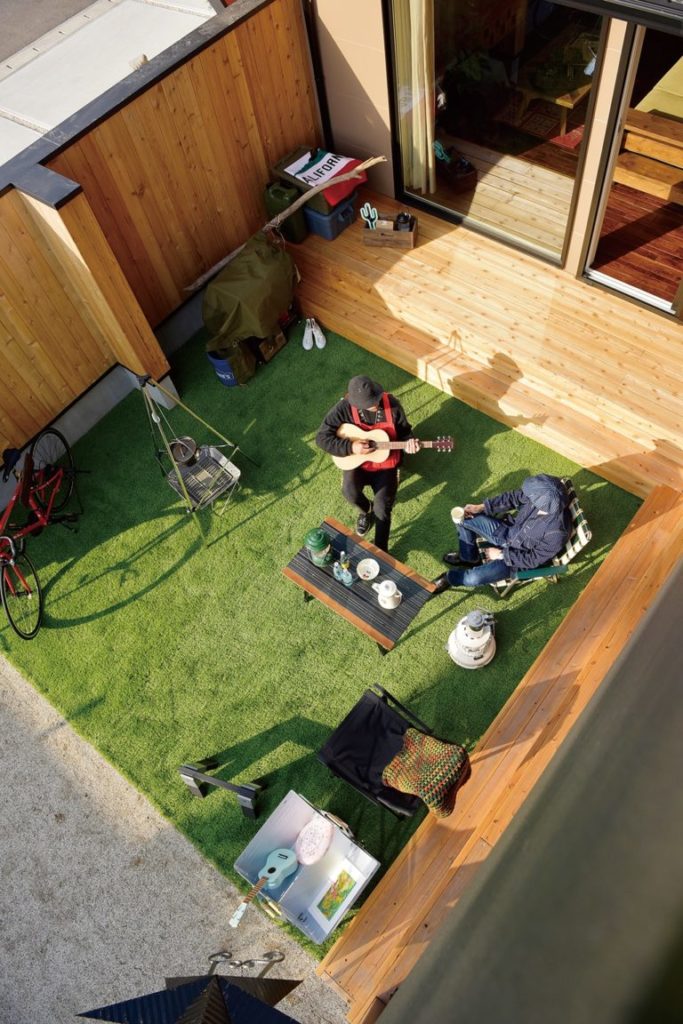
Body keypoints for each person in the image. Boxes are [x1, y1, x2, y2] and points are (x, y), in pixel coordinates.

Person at [315, 375, 420, 551]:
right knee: (349, 491)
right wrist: (351, 447)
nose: (375, 403)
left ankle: (381, 551)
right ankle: (366, 510)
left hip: (386, 464)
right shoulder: (344, 408)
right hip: (358, 463)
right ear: (354, 402)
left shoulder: (393, 405)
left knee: (382, 508)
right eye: (370, 403)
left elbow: (405, 433)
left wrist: (409, 443)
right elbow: (321, 438)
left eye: (376, 398)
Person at [432, 474, 572, 593]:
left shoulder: (557, 533)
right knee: (463, 518)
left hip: (514, 560)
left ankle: (450, 578)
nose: (527, 494)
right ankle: (469, 557)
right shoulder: (541, 494)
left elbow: (533, 559)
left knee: (474, 578)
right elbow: (513, 497)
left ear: (542, 504)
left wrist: (501, 554)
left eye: (531, 495)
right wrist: (481, 507)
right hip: (507, 531)